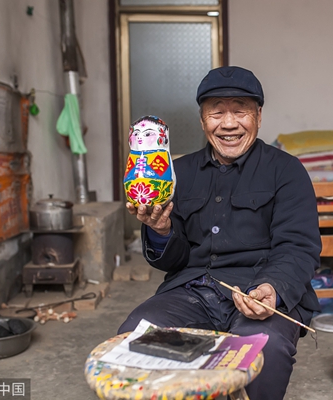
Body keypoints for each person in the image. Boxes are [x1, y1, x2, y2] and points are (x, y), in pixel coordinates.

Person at [118, 66, 321, 399]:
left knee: (261, 351)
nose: (229, 124)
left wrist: (272, 288)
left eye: (240, 111)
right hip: (193, 291)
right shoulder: (176, 172)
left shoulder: (287, 171)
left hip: (258, 292)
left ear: (258, 116)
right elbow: (174, 259)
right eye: (217, 113)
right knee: (137, 336)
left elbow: (298, 246)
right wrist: (160, 229)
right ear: (202, 121)